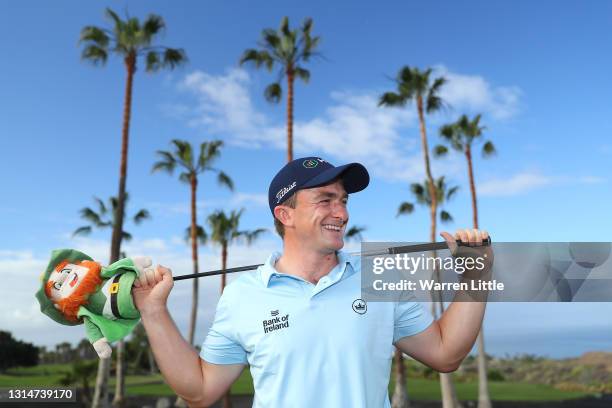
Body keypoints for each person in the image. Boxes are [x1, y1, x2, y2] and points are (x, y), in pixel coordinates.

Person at [133, 156, 492, 408]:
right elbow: (200, 392)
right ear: (285, 214)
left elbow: (445, 354)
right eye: (326, 200)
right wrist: (153, 311)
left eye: (343, 200)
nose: (342, 213)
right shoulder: (241, 296)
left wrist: (476, 275)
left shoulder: (379, 279)